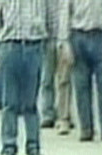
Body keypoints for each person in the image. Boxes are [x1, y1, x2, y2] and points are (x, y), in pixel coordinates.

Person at [0, 0, 56, 155]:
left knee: (31, 104)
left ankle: (33, 147)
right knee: (10, 103)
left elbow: (52, 20)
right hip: (10, 47)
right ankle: (8, 147)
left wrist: (51, 44)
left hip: (34, 47)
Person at [60, 0, 102, 142]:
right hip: (78, 36)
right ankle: (86, 129)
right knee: (81, 87)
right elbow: (65, 15)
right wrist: (64, 43)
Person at [40, 0, 74, 135]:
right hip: (47, 38)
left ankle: (63, 116)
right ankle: (48, 114)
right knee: (46, 79)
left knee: (64, 80)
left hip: (65, 40)